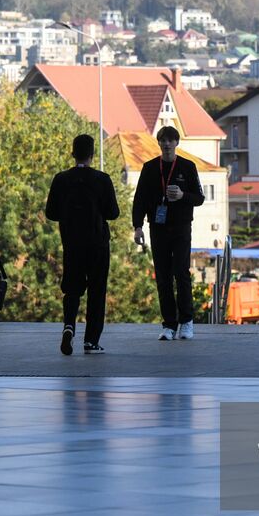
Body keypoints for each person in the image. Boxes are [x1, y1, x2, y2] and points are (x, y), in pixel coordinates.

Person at [45, 134, 120, 354]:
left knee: (72, 289)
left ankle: (69, 326)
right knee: (97, 291)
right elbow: (113, 213)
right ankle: (91, 340)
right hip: (97, 243)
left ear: (72, 153)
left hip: (72, 242)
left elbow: (51, 212)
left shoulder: (61, 179)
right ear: (92, 154)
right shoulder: (102, 179)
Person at [132, 126, 205, 340]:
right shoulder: (150, 168)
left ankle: (187, 321)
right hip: (158, 227)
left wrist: (182, 195)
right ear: (158, 143)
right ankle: (169, 324)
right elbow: (140, 200)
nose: (166, 145)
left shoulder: (187, 166)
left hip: (181, 227)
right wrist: (138, 226)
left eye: (170, 141)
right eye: (163, 141)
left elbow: (199, 198)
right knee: (162, 276)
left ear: (176, 143)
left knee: (181, 273)